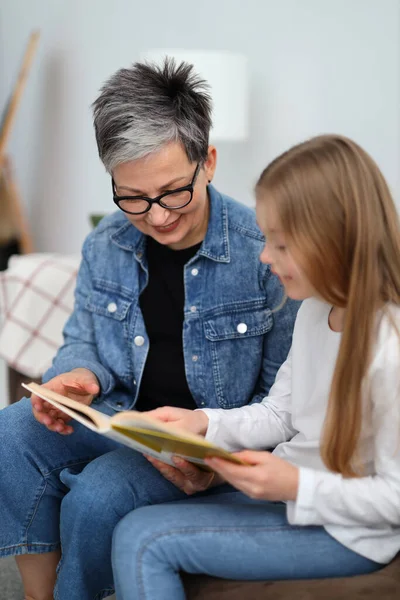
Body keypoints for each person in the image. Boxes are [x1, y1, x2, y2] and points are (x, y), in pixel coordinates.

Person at [0, 59, 299, 600]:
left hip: (200, 440)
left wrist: (218, 460)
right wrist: (75, 376)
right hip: (121, 418)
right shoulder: (106, 242)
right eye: (133, 198)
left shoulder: (266, 253)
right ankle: (34, 594)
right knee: (12, 431)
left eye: (171, 192)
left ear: (207, 161)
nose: (157, 217)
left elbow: (282, 400)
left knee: (97, 495)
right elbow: (82, 340)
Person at [111, 134, 400, 599]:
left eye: (281, 245)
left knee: (144, 539)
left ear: (334, 240)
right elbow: (279, 413)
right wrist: (201, 423)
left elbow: (394, 498)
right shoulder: (315, 311)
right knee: (128, 518)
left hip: (347, 531)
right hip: (292, 499)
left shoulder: (389, 350)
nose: (266, 257)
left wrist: (296, 484)